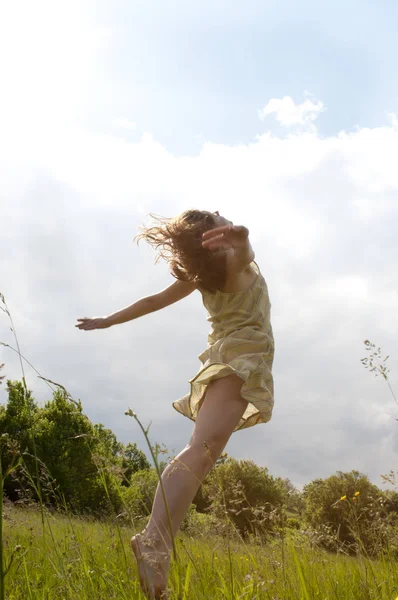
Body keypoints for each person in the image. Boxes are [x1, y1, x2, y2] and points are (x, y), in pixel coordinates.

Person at [75, 209, 275, 599]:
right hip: (242, 358)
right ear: (213, 236)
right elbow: (244, 254)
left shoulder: (205, 276)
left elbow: (152, 301)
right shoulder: (234, 264)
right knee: (201, 451)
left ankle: (157, 544)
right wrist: (243, 238)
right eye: (218, 216)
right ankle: (153, 542)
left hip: (230, 356)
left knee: (204, 451)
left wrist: (108, 320)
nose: (223, 214)